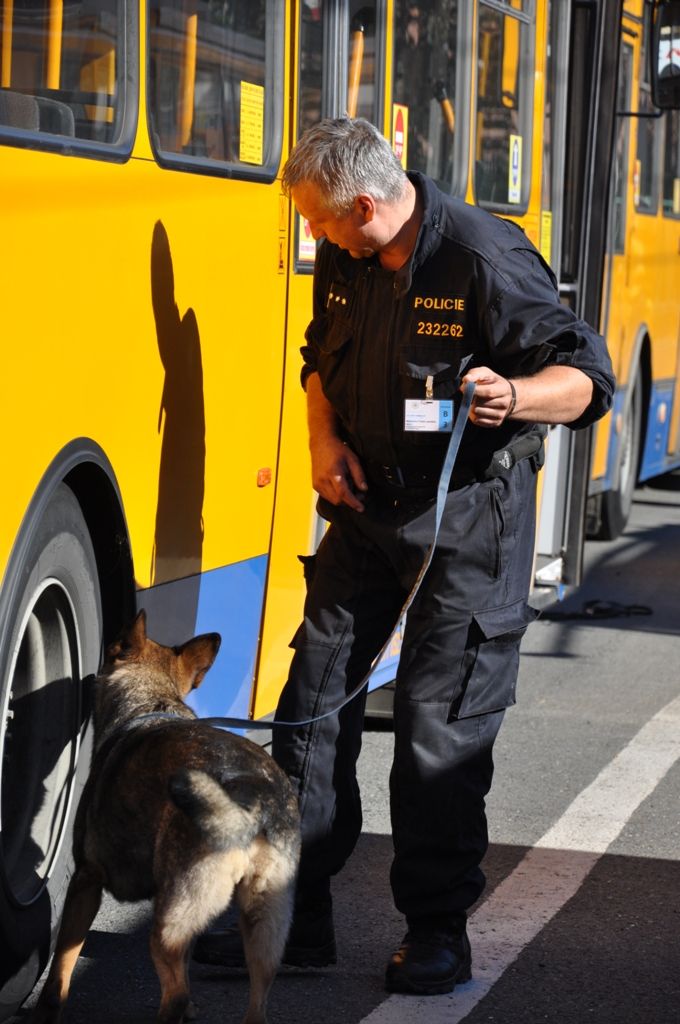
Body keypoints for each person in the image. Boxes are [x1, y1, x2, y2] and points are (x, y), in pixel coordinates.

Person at [194, 117, 615, 995]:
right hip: (365, 509)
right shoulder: (350, 256)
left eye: (316, 222)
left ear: (361, 205)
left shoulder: (482, 256)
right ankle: (292, 919)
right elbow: (318, 362)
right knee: (308, 710)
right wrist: (321, 442)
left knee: (436, 729)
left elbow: (588, 377)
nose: (312, 239)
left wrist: (517, 393)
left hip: (467, 520)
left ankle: (435, 931)